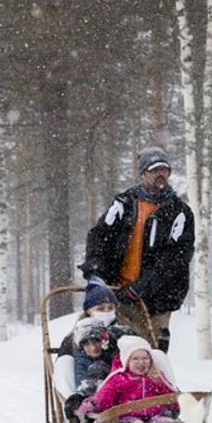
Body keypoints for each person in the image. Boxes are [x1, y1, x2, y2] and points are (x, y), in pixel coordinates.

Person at [79, 147, 194, 352]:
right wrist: (95, 271)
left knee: (147, 353)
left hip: (157, 299)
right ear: (143, 174)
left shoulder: (179, 212)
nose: (160, 175)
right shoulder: (124, 204)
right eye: (154, 170)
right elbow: (99, 236)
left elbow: (176, 259)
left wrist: (141, 287)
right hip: (116, 293)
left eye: (164, 170)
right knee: (93, 341)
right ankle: (88, 379)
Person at [77, 335, 179, 423]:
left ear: (151, 360)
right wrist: (92, 405)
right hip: (126, 417)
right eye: (135, 359)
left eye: (145, 358)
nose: (141, 362)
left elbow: (171, 398)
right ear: (127, 361)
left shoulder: (156, 376)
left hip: (155, 416)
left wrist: (160, 383)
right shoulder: (119, 378)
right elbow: (104, 397)